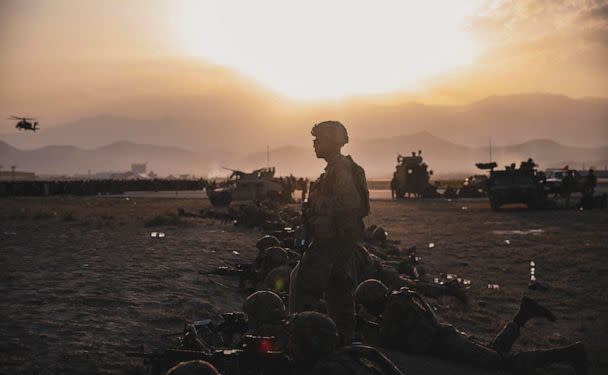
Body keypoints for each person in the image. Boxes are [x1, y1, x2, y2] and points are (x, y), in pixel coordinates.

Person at [354, 280, 588, 374]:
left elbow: (407, 342)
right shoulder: (399, 299)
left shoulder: (394, 309)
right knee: (494, 352)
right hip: (450, 339)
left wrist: (370, 328)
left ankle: (569, 353)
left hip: (448, 344)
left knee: (503, 364)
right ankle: (522, 315)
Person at [289, 120, 370, 343]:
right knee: (337, 294)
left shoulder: (340, 170)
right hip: (333, 243)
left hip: (334, 244)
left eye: (319, 140)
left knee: (305, 286)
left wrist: (319, 206)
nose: (314, 144)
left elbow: (350, 203)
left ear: (333, 142)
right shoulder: (333, 171)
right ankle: (339, 341)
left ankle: (303, 340)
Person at [287, 311, 403, 375]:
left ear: (312, 343)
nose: (290, 346)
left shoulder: (327, 369)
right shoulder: (356, 352)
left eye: (295, 341)